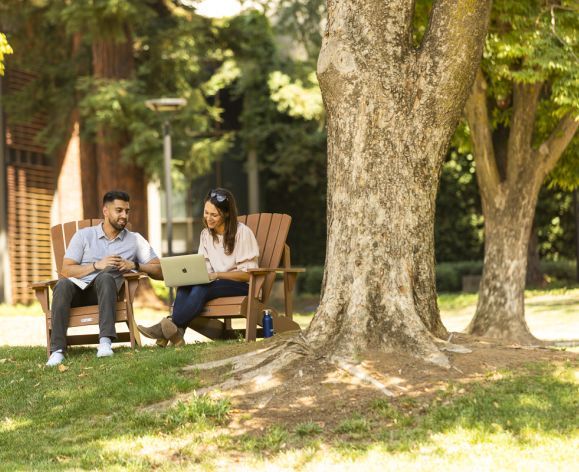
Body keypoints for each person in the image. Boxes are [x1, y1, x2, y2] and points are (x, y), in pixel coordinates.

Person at [46, 190, 163, 367]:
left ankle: (105, 342)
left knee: (106, 277)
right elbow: (66, 269)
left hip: (106, 293)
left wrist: (135, 265)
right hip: (76, 293)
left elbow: (159, 271)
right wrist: (95, 265)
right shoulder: (84, 236)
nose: (124, 215)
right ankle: (57, 351)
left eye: (127, 211)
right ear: (106, 211)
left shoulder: (134, 240)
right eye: (119, 210)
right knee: (62, 285)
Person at [138, 188, 259, 346]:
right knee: (185, 285)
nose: (208, 218)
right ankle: (176, 332)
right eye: (206, 212)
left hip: (243, 286)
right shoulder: (206, 235)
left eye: (214, 215)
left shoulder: (243, 233)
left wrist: (217, 275)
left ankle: (166, 327)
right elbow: (204, 267)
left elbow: (248, 275)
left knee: (203, 288)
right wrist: (195, 275)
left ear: (227, 214)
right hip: (215, 282)